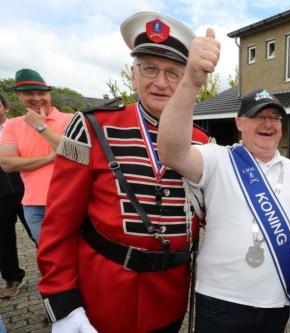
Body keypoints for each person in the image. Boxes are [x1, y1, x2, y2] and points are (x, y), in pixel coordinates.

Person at [37, 11, 211, 333]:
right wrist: (64, 304)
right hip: (103, 295)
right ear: (133, 75)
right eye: (150, 69)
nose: (161, 82)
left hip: (170, 297)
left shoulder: (202, 142)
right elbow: (59, 226)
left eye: (174, 73)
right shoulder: (92, 127)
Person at [156, 29, 290, 332]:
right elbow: (172, 152)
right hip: (221, 303)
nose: (268, 123)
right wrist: (190, 81)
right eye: (258, 116)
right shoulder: (217, 158)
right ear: (240, 123)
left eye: (275, 117)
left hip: (277, 302)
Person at [0, 69, 72, 244]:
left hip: (68, 200)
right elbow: (7, 163)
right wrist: (49, 158)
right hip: (34, 205)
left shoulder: (71, 119)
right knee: (48, 255)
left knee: (76, 254)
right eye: (29, 93)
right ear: (18, 95)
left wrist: (40, 127)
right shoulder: (13, 125)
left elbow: (71, 152)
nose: (37, 98)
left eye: (41, 93)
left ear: (49, 94)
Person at [0, 94, 35, 299]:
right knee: (3, 238)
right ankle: (12, 277)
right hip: (1, 194)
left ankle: (55, 273)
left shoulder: (19, 126)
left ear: (5, 107)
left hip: (27, 188)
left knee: (40, 233)